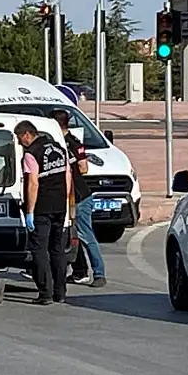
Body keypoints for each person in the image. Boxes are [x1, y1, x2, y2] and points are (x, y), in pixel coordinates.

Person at [14, 120, 73, 305]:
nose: (19, 143)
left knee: (39, 250)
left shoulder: (31, 154)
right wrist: (66, 200)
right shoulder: (58, 149)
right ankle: (60, 292)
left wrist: (30, 211)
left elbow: (33, 183)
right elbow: (67, 175)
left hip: (42, 207)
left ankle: (45, 293)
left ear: (27, 135)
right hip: (59, 205)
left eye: (19, 138)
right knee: (57, 250)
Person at [50, 109, 107, 288]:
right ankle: (79, 271)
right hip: (68, 196)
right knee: (72, 235)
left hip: (79, 197)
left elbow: (84, 168)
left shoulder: (71, 143)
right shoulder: (62, 142)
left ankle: (99, 273)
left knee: (85, 235)